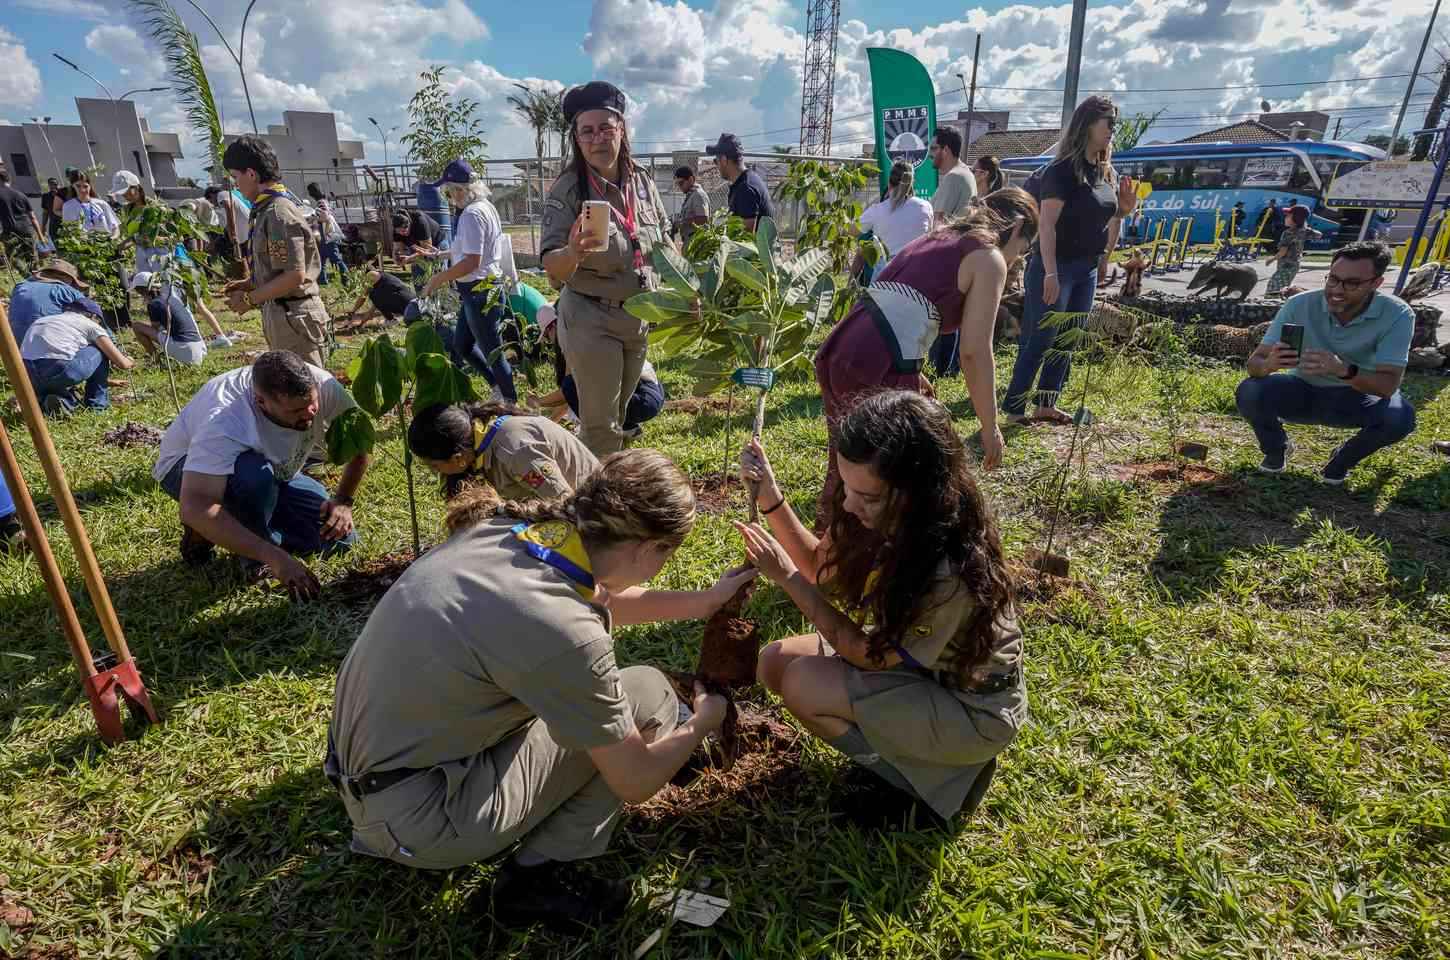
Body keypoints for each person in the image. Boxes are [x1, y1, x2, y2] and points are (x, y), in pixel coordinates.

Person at [326, 449, 753, 927]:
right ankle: (537, 877)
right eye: (668, 555)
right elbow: (635, 781)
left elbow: (597, 596)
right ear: (647, 548)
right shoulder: (566, 631)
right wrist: (703, 722)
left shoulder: (504, 533)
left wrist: (705, 602)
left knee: (598, 706)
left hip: (369, 772)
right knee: (647, 695)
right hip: (420, 819)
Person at [735, 391, 1025, 823]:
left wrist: (787, 579)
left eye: (867, 497)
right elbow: (819, 569)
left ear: (916, 493)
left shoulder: (948, 570)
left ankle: (924, 786)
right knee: (774, 663)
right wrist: (770, 498)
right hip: (919, 667)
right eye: (847, 487)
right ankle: (914, 755)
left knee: (802, 684)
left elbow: (868, 656)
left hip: (969, 708)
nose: (849, 505)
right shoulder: (875, 507)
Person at [814, 188, 1039, 520]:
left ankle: (828, 543)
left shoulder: (940, 236)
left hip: (843, 347)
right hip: (875, 361)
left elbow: (895, 298)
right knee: (894, 480)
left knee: (849, 466)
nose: (1018, 257)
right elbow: (974, 352)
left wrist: (913, 370)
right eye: (1024, 248)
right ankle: (871, 547)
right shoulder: (988, 257)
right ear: (1017, 226)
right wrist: (990, 426)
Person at [153, 351, 369, 592]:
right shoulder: (224, 421)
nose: (310, 413)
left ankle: (234, 526)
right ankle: (249, 555)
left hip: (274, 468)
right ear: (261, 402)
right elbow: (195, 505)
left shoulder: (322, 384)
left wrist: (343, 500)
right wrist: (271, 555)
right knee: (254, 478)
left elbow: (360, 443)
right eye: (296, 411)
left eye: (312, 403)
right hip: (189, 472)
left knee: (339, 541)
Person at [541, 81, 673, 457]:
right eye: (587, 131)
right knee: (601, 426)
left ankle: (614, 478)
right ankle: (597, 492)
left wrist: (682, 292)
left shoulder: (642, 182)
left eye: (605, 127)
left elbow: (664, 241)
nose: (597, 138)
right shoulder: (568, 189)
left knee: (624, 417)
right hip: (591, 316)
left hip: (637, 315)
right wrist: (573, 252)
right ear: (577, 138)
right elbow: (552, 266)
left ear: (622, 129)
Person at [1003, 96, 1137, 426]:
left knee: (1068, 339)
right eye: (1108, 122)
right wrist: (1050, 273)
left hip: (1085, 268)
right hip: (1056, 266)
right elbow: (1047, 225)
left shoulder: (1104, 171)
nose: (1113, 129)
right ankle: (1015, 409)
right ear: (1087, 124)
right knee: (1041, 338)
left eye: (1115, 123)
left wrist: (1123, 211)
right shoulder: (1061, 171)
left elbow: (1104, 218)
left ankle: (1046, 404)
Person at [1237, 242, 1416, 484]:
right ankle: (1277, 449)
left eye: (1352, 283)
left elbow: (1387, 386)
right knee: (1250, 390)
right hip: (1302, 391)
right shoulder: (1299, 304)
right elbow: (1254, 364)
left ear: (1376, 283)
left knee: (1399, 418)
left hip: (1357, 397)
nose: (1337, 290)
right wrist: (1269, 364)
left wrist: (1343, 370)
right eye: (1333, 279)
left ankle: (1341, 460)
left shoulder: (1397, 314)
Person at [221, 136, 329, 368]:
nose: (236, 185)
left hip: (294, 317)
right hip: (282, 313)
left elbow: (293, 275)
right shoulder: (266, 210)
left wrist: (249, 300)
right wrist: (250, 283)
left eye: (235, 177)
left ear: (251, 174)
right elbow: (278, 267)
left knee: (306, 384)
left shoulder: (278, 213)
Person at [417, 160, 517, 403]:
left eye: (449, 191)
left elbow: (472, 261)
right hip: (479, 289)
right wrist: (439, 255)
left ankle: (511, 402)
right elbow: (469, 250)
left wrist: (437, 279)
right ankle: (497, 386)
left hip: (480, 291)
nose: (449, 197)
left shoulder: (471, 215)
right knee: (462, 344)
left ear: (460, 190)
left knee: (493, 352)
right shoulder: (484, 207)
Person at [408, 399, 600, 501]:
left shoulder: (516, 453)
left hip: (593, 510)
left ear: (458, 458)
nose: (435, 472)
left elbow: (567, 504)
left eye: (435, 466)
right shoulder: (479, 443)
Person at [529, 303, 665, 437]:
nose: (549, 341)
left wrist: (538, 402)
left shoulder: (576, 342)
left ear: (553, 327)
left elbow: (568, 391)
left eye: (546, 336)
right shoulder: (589, 330)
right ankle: (628, 428)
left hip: (641, 399)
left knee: (571, 385)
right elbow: (569, 398)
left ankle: (601, 432)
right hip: (652, 395)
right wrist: (550, 423)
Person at [21, 309, 135, 416]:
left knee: (52, 382)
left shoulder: (43, 321)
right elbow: (122, 364)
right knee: (100, 349)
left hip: (27, 376)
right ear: (93, 316)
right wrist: (130, 360)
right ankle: (97, 406)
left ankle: (57, 402)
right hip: (60, 371)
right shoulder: (89, 324)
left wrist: (107, 381)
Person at [7, 259, 103, 343]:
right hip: (48, 347)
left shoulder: (20, 286)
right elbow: (95, 313)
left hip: (17, 346)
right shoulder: (67, 291)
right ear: (67, 278)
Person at [127, 272, 207, 366]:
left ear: (142, 290)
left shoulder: (154, 304)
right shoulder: (171, 298)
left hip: (185, 350)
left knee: (136, 326)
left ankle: (156, 360)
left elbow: (155, 328)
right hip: (199, 349)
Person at [859, 161, 933, 259]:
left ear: (889, 183)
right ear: (911, 183)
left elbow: (852, 230)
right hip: (918, 264)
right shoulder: (925, 207)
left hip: (887, 265)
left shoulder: (876, 210)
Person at [705, 132, 774, 232]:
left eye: (716, 161)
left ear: (724, 160)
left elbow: (746, 237)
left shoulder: (746, 188)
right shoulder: (745, 182)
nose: (717, 166)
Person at [1265, 204, 1321, 297]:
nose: (1285, 218)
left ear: (1296, 218)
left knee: (1274, 288)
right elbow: (1319, 234)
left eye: (1288, 216)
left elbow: (1283, 252)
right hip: (1295, 265)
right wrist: (1307, 229)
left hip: (1286, 265)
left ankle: (1273, 303)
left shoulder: (1288, 233)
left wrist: (1271, 259)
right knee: (1283, 287)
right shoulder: (1304, 231)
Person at [929, 127, 977, 224]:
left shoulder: (954, 177)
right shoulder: (965, 173)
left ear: (946, 150)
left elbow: (938, 223)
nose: (930, 154)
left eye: (933, 148)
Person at [346, 269, 420, 329]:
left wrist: (353, 311)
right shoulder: (381, 288)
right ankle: (392, 320)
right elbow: (373, 308)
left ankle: (391, 320)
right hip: (413, 306)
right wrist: (361, 323)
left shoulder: (371, 275)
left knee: (372, 294)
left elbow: (363, 297)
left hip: (409, 305)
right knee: (374, 295)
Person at [306, 182, 349, 285]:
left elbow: (324, 217)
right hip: (325, 235)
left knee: (335, 259)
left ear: (313, 192)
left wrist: (313, 218)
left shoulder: (321, 203)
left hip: (327, 235)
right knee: (321, 258)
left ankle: (346, 279)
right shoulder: (324, 201)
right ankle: (322, 281)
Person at [0, 169, 43, 271]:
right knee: (33, 261)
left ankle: (26, 275)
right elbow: (33, 217)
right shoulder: (21, 195)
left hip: (10, 233)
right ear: (9, 180)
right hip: (27, 231)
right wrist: (40, 235)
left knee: (14, 259)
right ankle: (35, 276)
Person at [671, 165, 710, 247]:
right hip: (691, 242)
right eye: (678, 184)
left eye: (681, 183)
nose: (680, 187)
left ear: (691, 179)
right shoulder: (691, 195)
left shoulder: (698, 195)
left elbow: (703, 219)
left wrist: (682, 222)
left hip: (697, 243)